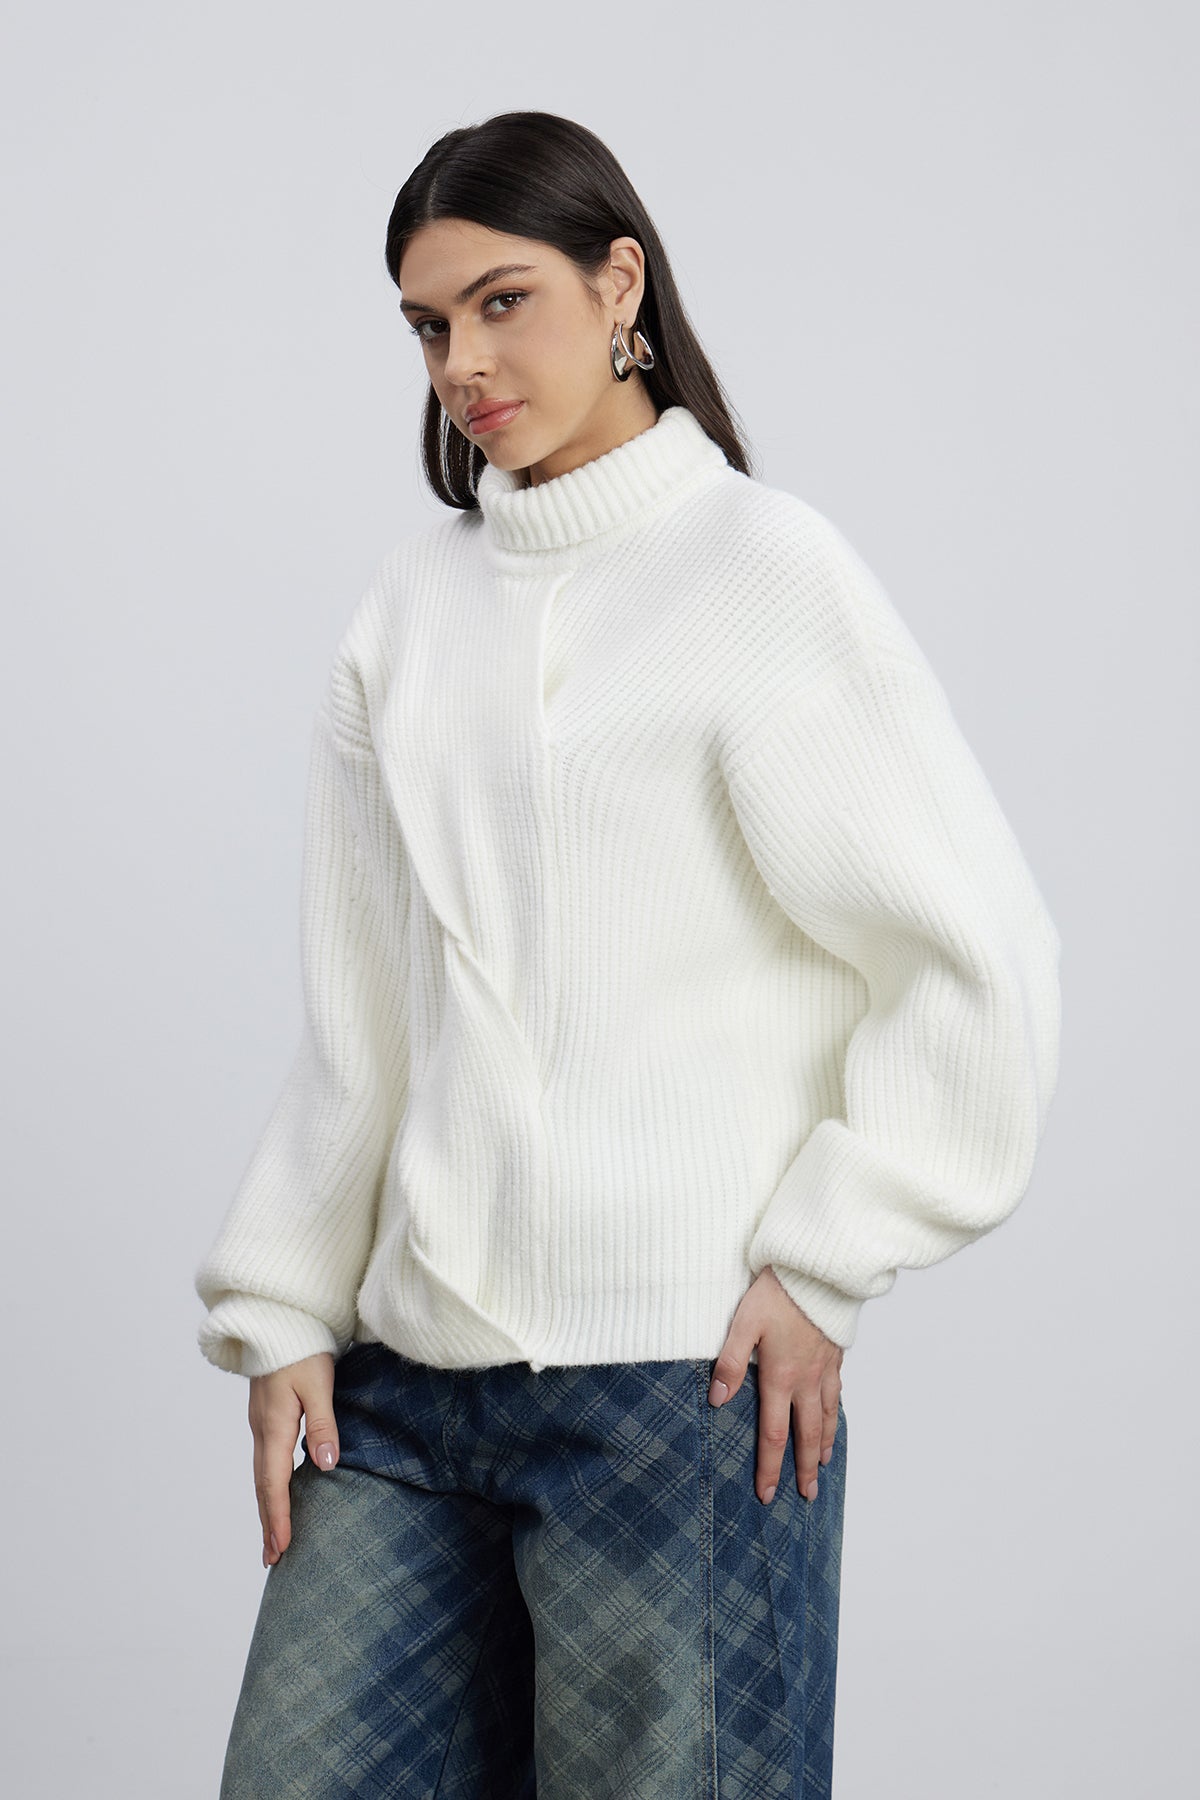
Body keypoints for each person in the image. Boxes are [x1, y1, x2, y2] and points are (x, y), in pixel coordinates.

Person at [194, 110, 1062, 1798]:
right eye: (428, 325)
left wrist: (827, 1262)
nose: (462, 362)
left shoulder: (763, 574)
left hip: (676, 1389)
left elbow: (967, 950)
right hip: (403, 1389)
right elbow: (367, 1017)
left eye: (501, 302)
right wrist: (288, 1298)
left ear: (619, 286)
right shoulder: (410, 611)